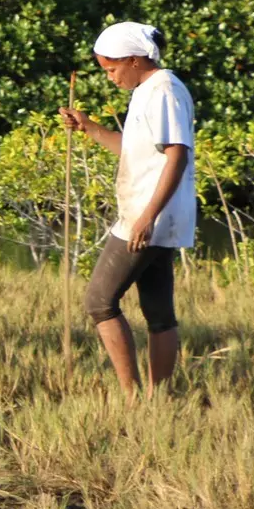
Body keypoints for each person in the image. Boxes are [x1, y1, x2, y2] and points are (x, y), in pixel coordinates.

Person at [59, 21, 195, 399]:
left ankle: (132, 397)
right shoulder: (147, 90)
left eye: (111, 69)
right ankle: (159, 399)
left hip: (148, 217)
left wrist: (147, 216)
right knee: (158, 312)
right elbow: (135, 150)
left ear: (134, 60)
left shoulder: (164, 90)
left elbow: (176, 156)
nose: (110, 78)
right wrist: (88, 127)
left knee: (99, 301)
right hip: (155, 217)